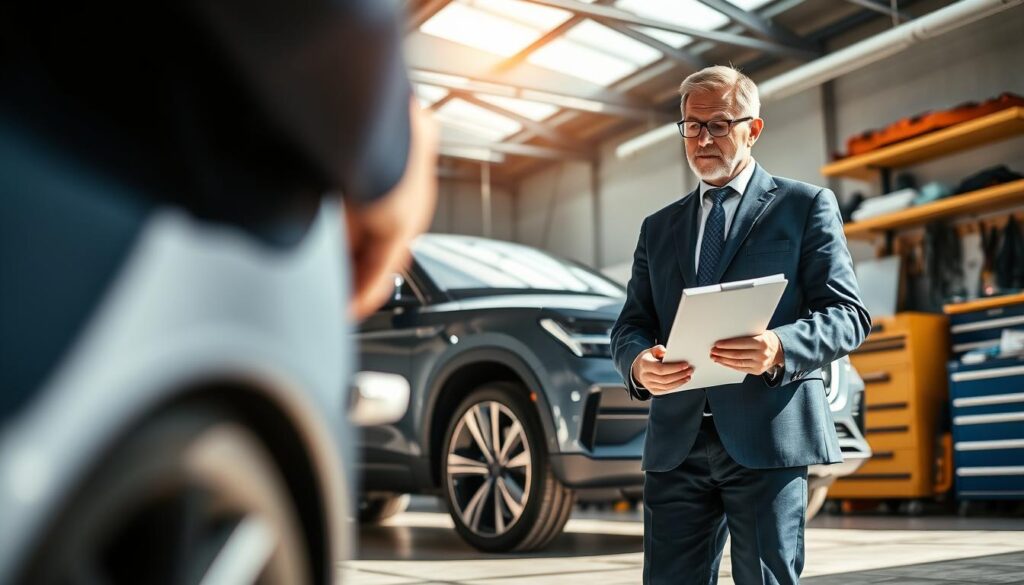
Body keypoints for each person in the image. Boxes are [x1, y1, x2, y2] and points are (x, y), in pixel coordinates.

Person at [610, 65, 870, 585]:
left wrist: (779, 346)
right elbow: (631, 325)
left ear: (753, 130)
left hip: (767, 436)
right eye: (692, 126)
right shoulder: (657, 228)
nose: (703, 139)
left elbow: (849, 316)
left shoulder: (804, 207)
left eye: (720, 125)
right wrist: (637, 364)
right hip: (677, 443)